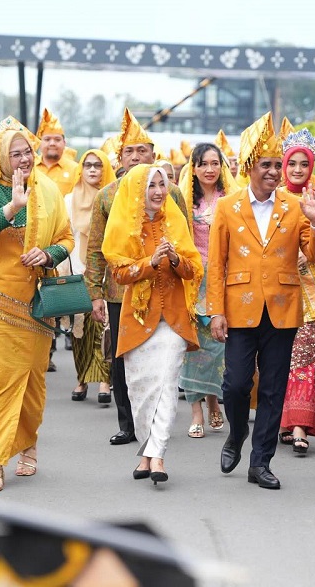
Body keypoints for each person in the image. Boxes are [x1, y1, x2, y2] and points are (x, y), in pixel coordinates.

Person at [207, 112, 315, 490]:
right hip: (239, 306)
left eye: (279, 164)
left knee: (274, 388)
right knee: (237, 385)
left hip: (283, 308)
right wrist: (215, 311)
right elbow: (216, 263)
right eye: (268, 165)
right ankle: (236, 433)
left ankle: (261, 463)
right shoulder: (227, 207)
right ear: (249, 168)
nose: (276, 171)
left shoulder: (295, 208)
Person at [0, 124, 73, 493]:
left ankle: (28, 442)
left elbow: (67, 238)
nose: (25, 158)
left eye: (28, 151)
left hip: (37, 302)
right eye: (16, 153)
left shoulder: (49, 189)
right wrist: (12, 207)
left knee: (32, 379)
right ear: (0, 159)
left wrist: (49, 253)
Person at [85, 108, 187, 446]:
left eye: (142, 150)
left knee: (162, 356)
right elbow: (96, 247)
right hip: (121, 288)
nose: (136, 155)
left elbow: (185, 243)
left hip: (165, 287)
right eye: (129, 150)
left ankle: (156, 421)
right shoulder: (107, 196)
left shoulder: (171, 193)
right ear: (120, 156)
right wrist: (95, 293)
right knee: (123, 355)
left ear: (153, 155)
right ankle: (128, 424)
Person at [103, 163, 201, 484]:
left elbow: (192, 268)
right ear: (137, 191)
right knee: (140, 386)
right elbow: (119, 272)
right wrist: (150, 262)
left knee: (167, 383)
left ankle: (157, 455)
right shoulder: (124, 226)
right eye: (152, 186)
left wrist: (174, 259)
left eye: (163, 184)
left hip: (173, 317)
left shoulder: (175, 220)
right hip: (139, 316)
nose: (160, 191)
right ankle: (147, 452)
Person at [276, 129, 315, 455]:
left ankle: (300, 425)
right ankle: (286, 422)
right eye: (292, 164)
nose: (297, 170)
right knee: (279, 360)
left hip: (313, 292)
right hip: (278, 289)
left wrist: (312, 244)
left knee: (303, 358)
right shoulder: (273, 199)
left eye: (304, 164)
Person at [177, 143, 238, 438]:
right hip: (192, 281)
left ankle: (214, 401)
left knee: (218, 346)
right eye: (203, 164)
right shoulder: (186, 202)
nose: (210, 169)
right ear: (194, 168)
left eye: (215, 163)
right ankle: (197, 410)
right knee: (193, 348)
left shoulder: (232, 199)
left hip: (225, 279)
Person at [66, 149, 114, 403]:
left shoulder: (112, 198)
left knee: (102, 326)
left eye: (98, 165)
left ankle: (105, 382)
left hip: (105, 270)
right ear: (81, 170)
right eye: (88, 165)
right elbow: (63, 236)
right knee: (80, 330)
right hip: (76, 270)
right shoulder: (67, 200)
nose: (93, 170)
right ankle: (81, 379)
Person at [35, 108, 78, 197]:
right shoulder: (30, 167)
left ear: (64, 143)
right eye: (47, 139)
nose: (52, 143)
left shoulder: (75, 169)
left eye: (57, 139)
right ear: (39, 142)